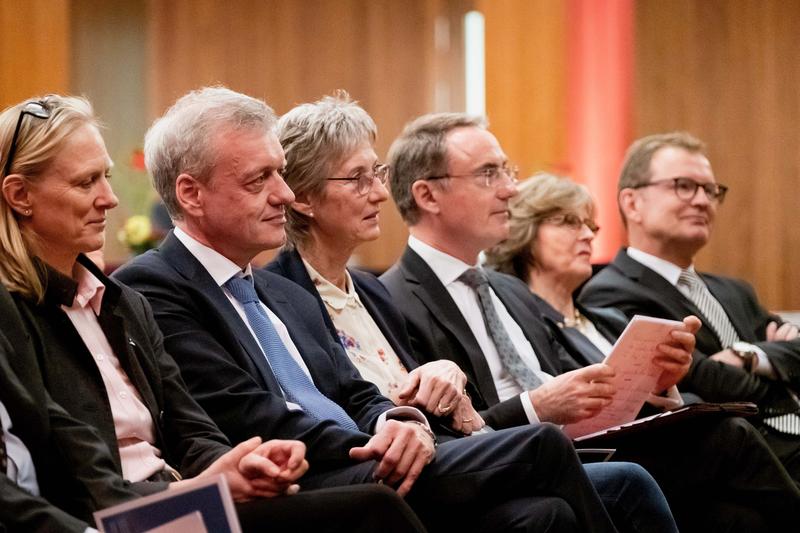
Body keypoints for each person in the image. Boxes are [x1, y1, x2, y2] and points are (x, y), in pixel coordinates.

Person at [114, 86, 676, 533]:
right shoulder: (156, 285)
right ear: (190, 195)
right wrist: (374, 440)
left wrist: (395, 419)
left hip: (377, 454)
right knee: (552, 448)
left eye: (281, 174)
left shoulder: (282, 290)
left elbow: (352, 388)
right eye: (262, 179)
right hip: (318, 471)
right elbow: (244, 411)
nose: (282, 195)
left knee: (543, 515)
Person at [0, 94, 429, 533]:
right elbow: (73, 463)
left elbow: (191, 427)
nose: (109, 199)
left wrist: (231, 469)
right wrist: (193, 493)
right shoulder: (24, 311)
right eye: (86, 182)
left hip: (178, 497)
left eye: (106, 177)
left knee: (411, 491)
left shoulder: (120, 301)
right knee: (379, 503)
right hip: (124, 513)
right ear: (20, 195)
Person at [483, 172, 800, 531]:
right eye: (569, 222)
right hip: (598, 454)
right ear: (524, 233)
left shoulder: (608, 318)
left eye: (590, 224)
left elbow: (652, 395)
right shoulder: (518, 323)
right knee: (731, 435)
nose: (588, 234)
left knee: (737, 518)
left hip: (651, 445)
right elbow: (554, 398)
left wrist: (666, 385)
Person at [578, 132, 800, 477]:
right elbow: (698, 377)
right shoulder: (610, 294)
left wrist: (747, 355)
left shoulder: (735, 290)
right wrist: (776, 366)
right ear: (632, 202)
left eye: (710, 190)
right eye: (683, 186)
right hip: (743, 453)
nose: (702, 201)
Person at [265, 92, 483, 437]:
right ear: (304, 198)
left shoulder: (372, 290)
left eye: (377, 172)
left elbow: (416, 394)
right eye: (357, 179)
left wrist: (446, 376)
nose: (381, 193)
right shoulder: (275, 300)